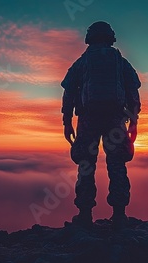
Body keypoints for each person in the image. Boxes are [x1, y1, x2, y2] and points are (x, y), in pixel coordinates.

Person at [61, 21, 141, 228]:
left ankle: (85, 215)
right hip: (115, 119)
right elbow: (133, 91)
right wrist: (133, 122)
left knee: (86, 165)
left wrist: (67, 122)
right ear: (110, 37)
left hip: (88, 119)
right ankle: (120, 215)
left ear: (90, 38)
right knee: (117, 164)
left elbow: (68, 91)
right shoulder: (120, 61)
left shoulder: (83, 62)